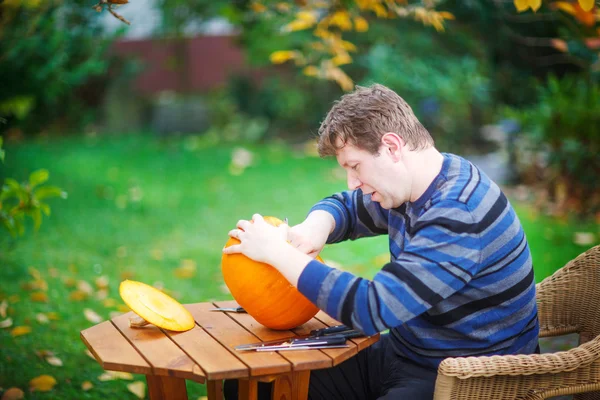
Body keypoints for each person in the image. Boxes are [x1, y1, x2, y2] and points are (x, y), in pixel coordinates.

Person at [222, 83, 539, 400]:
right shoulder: (420, 181)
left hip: (470, 379)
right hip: (408, 354)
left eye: (355, 166)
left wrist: (279, 254)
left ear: (391, 147)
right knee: (253, 387)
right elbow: (347, 206)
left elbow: (372, 308)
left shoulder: (457, 213)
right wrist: (314, 227)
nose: (353, 182)